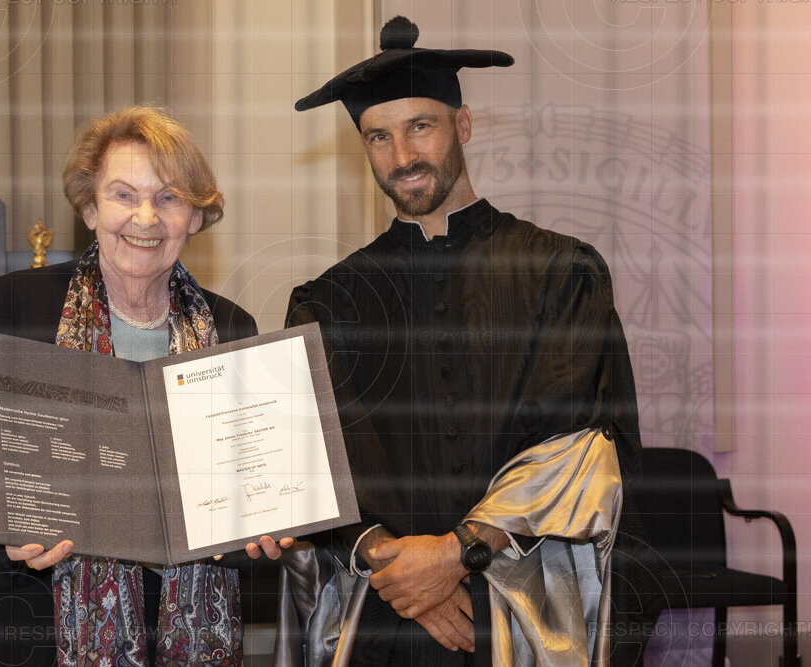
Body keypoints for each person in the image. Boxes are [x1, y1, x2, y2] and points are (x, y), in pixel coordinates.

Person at [260, 16, 654, 667]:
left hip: (519, 601)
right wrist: (403, 575)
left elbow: (582, 447)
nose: (402, 156)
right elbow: (311, 462)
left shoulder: (559, 274)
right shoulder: (328, 302)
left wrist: (454, 555)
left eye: (421, 126)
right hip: (380, 611)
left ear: (463, 125)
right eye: (379, 136)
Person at [0, 105, 279, 667]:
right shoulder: (16, 308)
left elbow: (248, 495)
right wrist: (9, 534)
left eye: (169, 197)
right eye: (124, 195)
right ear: (90, 207)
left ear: (195, 217)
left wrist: (263, 526)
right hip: (46, 622)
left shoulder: (232, 326)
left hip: (191, 628)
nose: (146, 217)